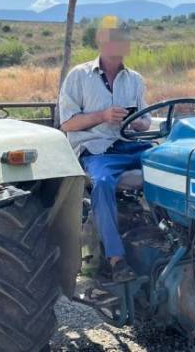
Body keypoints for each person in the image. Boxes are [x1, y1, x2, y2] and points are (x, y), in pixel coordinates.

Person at [58, 16, 151, 282]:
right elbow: (67, 123)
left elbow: (144, 119)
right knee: (102, 183)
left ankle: (170, 235)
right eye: (112, 36)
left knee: (170, 163)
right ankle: (116, 259)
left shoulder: (135, 79)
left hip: (129, 145)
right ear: (100, 40)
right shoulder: (79, 76)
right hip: (97, 150)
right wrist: (103, 116)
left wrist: (139, 124)